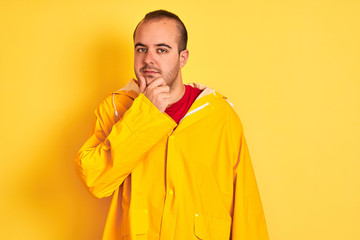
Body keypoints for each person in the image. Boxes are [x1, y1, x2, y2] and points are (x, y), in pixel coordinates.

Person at [75, 9, 269, 240]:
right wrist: (146, 113)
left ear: (182, 57)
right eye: (141, 49)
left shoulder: (219, 115)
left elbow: (246, 205)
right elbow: (95, 180)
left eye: (162, 50)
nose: (149, 58)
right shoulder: (115, 109)